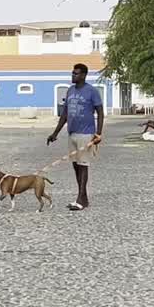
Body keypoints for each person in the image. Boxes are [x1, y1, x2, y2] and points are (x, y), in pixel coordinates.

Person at [46, 63, 105, 211]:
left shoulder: (92, 91)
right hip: (72, 133)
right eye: (72, 73)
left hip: (86, 134)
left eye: (76, 73)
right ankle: (83, 198)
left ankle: (80, 199)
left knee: (83, 165)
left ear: (84, 75)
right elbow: (65, 114)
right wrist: (55, 133)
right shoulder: (70, 90)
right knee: (76, 166)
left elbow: (100, 112)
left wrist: (98, 133)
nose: (73, 76)